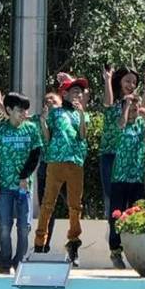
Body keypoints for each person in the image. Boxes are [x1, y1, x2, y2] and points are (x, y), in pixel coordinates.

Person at [0, 92, 43, 273]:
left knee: (24, 226)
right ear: (9, 110)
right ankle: (4, 261)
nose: (24, 114)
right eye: (19, 110)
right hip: (4, 186)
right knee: (4, 225)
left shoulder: (31, 129)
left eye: (25, 110)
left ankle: (19, 262)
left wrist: (24, 176)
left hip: (24, 187)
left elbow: (36, 155)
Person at [36, 78, 89, 266]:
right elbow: (47, 137)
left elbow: (82, 135)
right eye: (74, 91)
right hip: (55, 161)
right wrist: (43, 122)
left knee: (75, 206)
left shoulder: (82, 114)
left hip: (75, 162)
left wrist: (82, 115)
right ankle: (39, 243)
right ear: (64, 94)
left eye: (80, 92)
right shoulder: (55, 113)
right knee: (48, 203)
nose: (78, 95)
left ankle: (73, 243)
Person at [101, 65, 145, 247]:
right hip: (111, 155)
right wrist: (107, 80)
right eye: (127, 81)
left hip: (131, 163)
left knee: (133, 204)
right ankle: (115, 240)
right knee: (113, 200)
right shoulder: (116, 104)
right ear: (119, 82)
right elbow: (108, 104)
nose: (131, 85)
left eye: (134, 82)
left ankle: (129, 243)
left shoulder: (136, 107)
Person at [108, 94, 145, 269]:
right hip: (119, 177)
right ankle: (115, 250)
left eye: (136, 108)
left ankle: (136, 252)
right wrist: (126, 106)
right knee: (116, 216)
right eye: (130, 108)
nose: (134, 112)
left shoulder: (142, 124)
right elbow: (120, 126)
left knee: (136, 214)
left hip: (136, 177)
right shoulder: (120, 122)